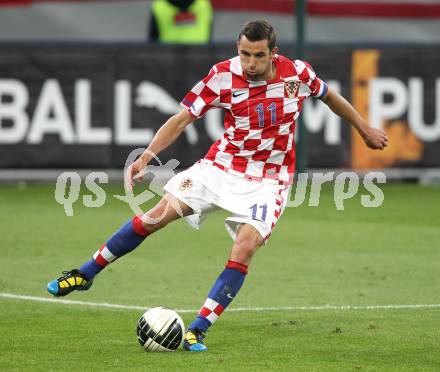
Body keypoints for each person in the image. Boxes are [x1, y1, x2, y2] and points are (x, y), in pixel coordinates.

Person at [47, 20, 388, 352]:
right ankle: (85, 273)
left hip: (269, 180)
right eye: (244, 54)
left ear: (274, 54)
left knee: (245, 247)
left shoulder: (297, 74)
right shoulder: (222, 75)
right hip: (220, 168)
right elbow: (182, 117)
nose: (250, 63)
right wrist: (149, 154)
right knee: (155, 217)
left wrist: (364, 129)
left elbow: (331, 98)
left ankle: (198, 329)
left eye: (258, 55)